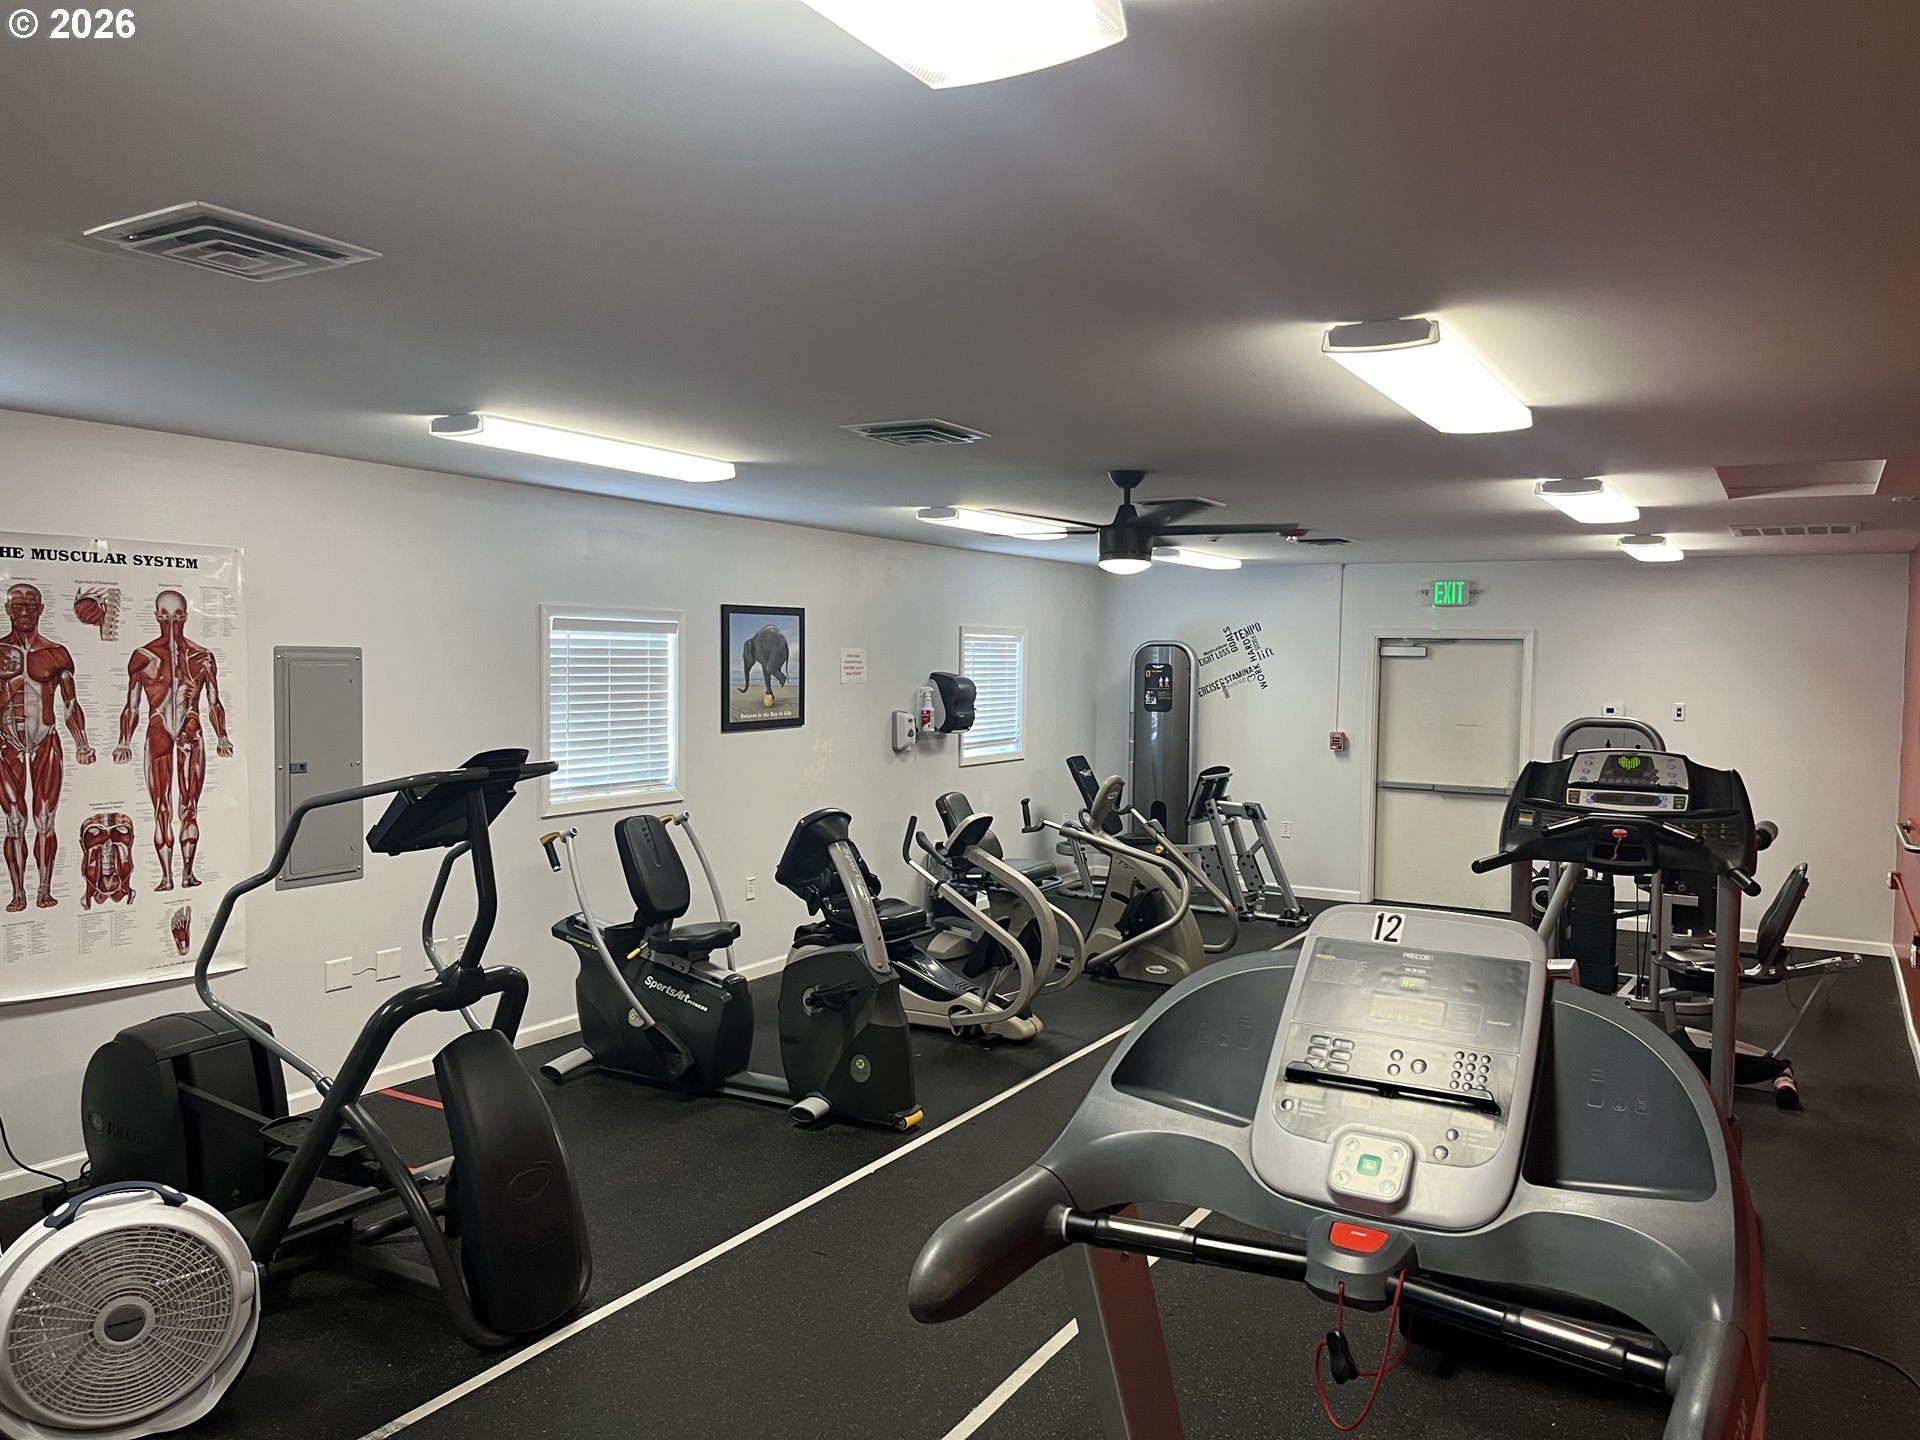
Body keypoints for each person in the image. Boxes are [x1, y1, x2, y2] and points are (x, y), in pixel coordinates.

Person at [111, 590, 234, 890]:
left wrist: (222, 736)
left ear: (186, 617)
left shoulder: (202, 657)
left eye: (177, 615)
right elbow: (132, 704)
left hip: (191, 732)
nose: (171, 622)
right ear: (156, 616)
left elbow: (214, 701)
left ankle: (187, 874)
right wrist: (123, 740)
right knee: (162, 809)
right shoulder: (142, 657)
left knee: (189, 806)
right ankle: (166, 877)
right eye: (165, 615)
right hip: (158, 731)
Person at [1, 583, 96, 911]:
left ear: (41, 609)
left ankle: (43, 889)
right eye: (18, 606)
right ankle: (17, 892)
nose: (24, 612)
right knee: (14, 821)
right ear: (8, 610)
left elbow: (70, 703)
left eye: (31, 605)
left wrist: (82, 743)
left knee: (44, 820)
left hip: (47, 742)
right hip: (6, 747)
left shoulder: (56, 653)